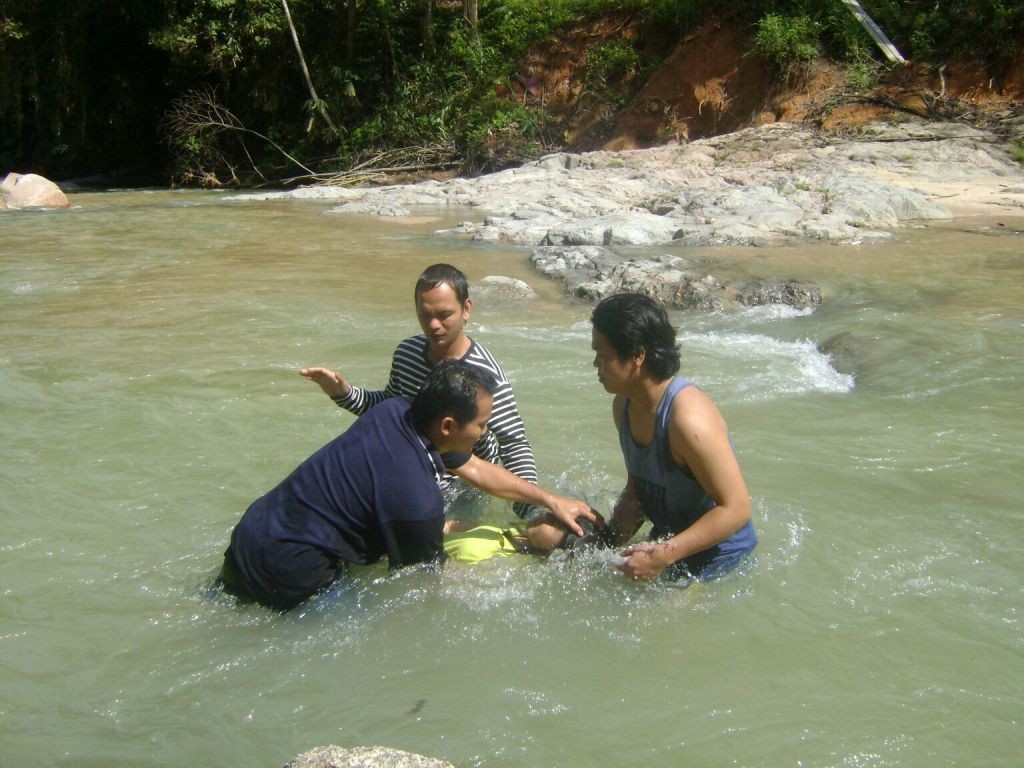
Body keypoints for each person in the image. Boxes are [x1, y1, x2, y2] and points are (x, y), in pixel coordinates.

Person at [220, 361, 594, 610]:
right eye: (481, 424)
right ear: (448, 426)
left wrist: (548, 498)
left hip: (251, 532)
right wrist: (508, 576)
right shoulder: (418, 499)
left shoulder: (397, 412)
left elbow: (477, 469)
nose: (485, 432)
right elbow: (424, 582)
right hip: (292, 569)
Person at [300, 263, 581, 549]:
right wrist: (345, 393)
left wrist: (531, 509)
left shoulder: (487, 376)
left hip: (464, 486)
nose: (433, 325)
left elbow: (513, 444)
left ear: (466, 309)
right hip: (414, 476)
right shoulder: (407, 353)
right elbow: (391, 407)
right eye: (425, 315)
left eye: (444, 315)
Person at [590, 293, 757, 584]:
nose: (595, 364)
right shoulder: (624, 405)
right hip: (670, 547)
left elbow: (737, 508)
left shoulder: (688, 420)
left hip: (720, 561)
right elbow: (638, 487)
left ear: (637, 355)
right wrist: (601, 543)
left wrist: (662, 556)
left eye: (603, 355)